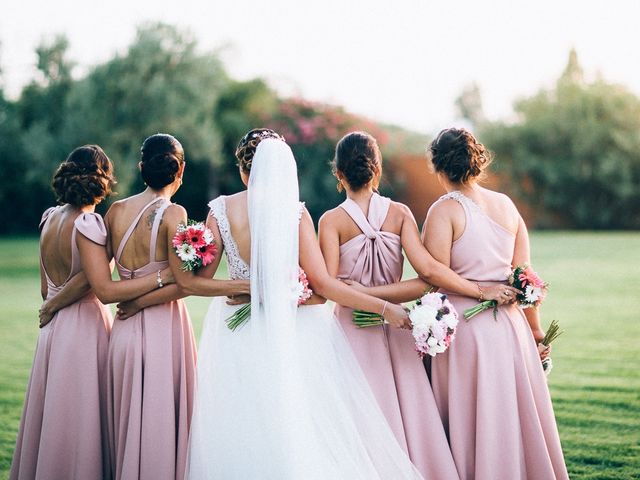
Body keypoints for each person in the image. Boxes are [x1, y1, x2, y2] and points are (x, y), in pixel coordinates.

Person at [186, 129, 423, 479]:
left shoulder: (220, 211)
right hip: (292, 330)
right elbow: (324, 288)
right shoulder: (294, 214)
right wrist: (384, 308)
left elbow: (197, 283)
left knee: (242, 419)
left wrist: (248, 288)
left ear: (242, 169)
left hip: (236, 330)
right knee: (296, 418)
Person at [318, 131, 518, 479]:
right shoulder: (400, 214)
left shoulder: (330, 221)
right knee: (409, 418)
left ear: (338, 173)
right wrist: (385, 298)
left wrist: (363, 295)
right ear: (377, 169)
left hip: (351, 330)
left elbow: (331, 287)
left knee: (359, 414)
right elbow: (426, 276)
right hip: (399, 327)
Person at [77, 134, 250, 480]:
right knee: (161, 422)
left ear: (141, 168)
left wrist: (132, 298)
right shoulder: (175, 213)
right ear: (180, 169)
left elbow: (102, 278)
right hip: (164, 328)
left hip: (123, 331)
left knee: (126, 422)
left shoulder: (115, 211)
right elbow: (185, 283)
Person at [424, 128, 568, 479]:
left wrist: (477, 290)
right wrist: (534, 333)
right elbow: (524, 274)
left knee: (474, 418)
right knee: (507, 418)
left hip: (465, 331)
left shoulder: (444, 211)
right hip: (511, 328)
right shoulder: (506, 204)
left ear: (437, 165)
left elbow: (433, 275)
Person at [11, 145, 118, 480]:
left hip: (53, 330)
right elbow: (94, 281)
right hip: (84, 326)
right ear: (101, 179)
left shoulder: (49, 217)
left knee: (57, 414)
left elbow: (47, 290)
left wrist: (53, 303)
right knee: (82, 416)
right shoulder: (89, 223)